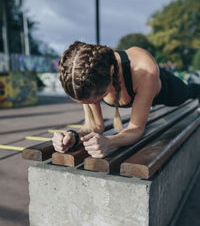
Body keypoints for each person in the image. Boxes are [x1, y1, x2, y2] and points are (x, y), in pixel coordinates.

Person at [52, 41, 200, 158]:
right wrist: (73, 137)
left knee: (187, 93)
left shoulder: (145, 69)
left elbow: (136, 129)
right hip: (141, 90)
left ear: (111, 72)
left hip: (166, 89)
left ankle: (196, 86)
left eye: (96, 100)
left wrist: (109, 142)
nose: (91, 104)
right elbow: (96, 126)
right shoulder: (86, 76)